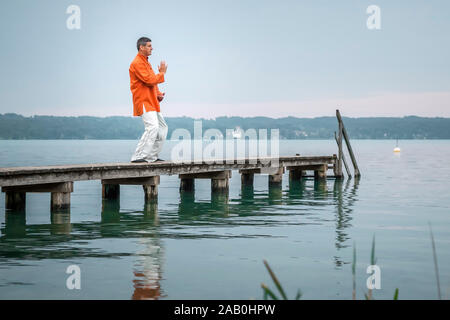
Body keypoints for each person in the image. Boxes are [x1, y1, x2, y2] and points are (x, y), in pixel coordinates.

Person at [129, 36, 168, 163]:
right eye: (149, 46)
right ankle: (138, 156)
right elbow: (149, 80)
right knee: (152, 127)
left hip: (152, 101)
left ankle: (151, 156)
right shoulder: (137, 63)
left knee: (162, 128)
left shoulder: (146, 62)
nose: (152, 48)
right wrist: (162, 73)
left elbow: (152, 82)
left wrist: (158, 94)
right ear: (141, 47)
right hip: (143, 100)